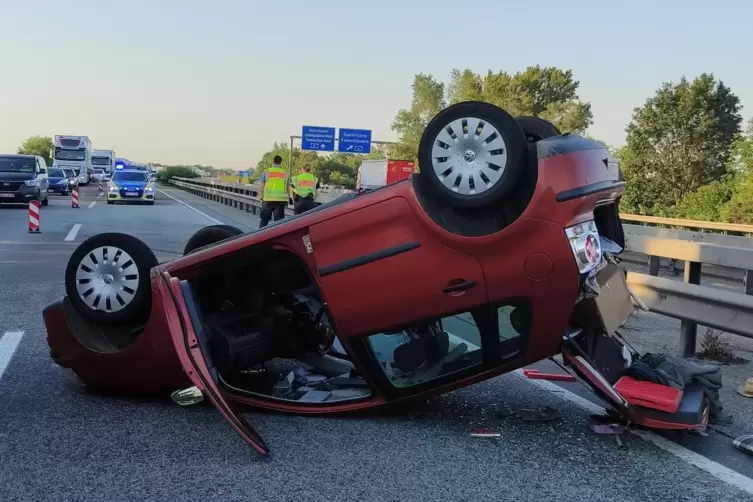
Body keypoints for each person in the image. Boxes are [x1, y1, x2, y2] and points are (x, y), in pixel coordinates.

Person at [258, 155, 289, 228]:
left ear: (273, 161)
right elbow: (288, 187)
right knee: (279, 223)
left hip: (268, 200)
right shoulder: (285, 173)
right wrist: (287, 199)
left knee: (264, 220)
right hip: (280, 200)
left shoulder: (267, 172)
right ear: (280, 162)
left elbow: (261, 185)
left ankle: (260, 237)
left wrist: (260, 197)